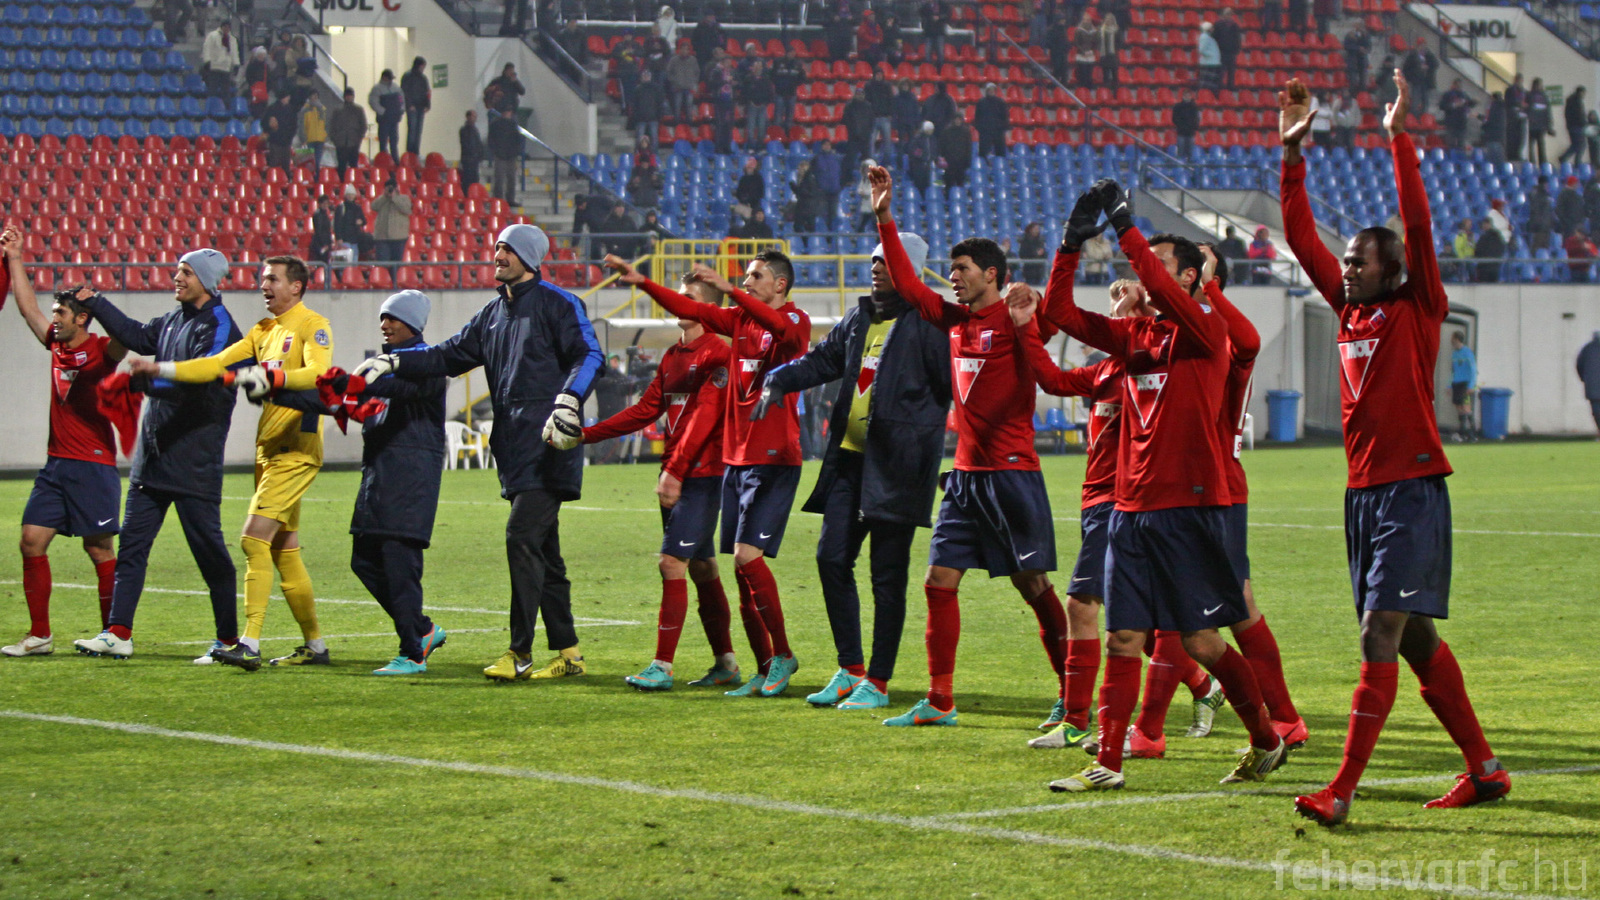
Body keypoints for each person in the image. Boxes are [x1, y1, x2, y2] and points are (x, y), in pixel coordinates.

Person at [1280, 71, 1508, 825]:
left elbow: (1418, 222)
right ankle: (1485, 769)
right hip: (1363, 496)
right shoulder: (1348, 312)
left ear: (1393, 269)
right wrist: (1292, 155)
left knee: (1379, 631)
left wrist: (1399, 138)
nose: (1346, 268)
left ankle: (1341, 791)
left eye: (1359, 261)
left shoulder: (1419, 305)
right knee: (1415, 642)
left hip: (1412, 490)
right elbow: (1299, 237)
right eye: (1346, 261)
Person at [1023, 182, 1289, 791]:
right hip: (1130, 508)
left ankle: (1266, 737)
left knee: (1201, 640)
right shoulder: (1135, 341)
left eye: (1161, 265)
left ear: (1190, 279)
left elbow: (1161, 287)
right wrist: (1070, 244)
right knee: (1123, 636)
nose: (1145, 273)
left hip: (1190, 509)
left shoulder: (1205, 329)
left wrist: (1125, 225)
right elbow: (1062, 314)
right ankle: (1108, 763)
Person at [866, 166, 1071, 730]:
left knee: (1034, 586)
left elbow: (1059, 318)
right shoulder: (953, 321)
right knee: (939, 582)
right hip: (963, 477)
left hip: (1011, 474)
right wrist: (885, 216)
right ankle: (940, 700)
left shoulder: (1018, 318)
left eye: (962, 269)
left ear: (991, 274)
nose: (952, 277)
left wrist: (1042, 293)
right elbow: (909, 287)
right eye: (951, 268)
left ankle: (1072, 693)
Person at [355, 225, 603, 683]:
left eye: (508, 249)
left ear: (529, 257)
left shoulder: (559, 303)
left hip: (550, 445)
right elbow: (445, 356)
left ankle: (519, 652)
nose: (498, 255)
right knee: (544, 553)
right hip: (514, 450)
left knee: (521, 538)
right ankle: (570, 654)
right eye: (497, 247)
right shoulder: (491, 314)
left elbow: (589, 355)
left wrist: (570, 399)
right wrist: (394, 360)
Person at [757, 234, 952, 710]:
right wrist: (778, 379)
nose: (876, 267)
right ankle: (851, 669)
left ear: (910, 268)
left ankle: (878, 683)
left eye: (887, 261)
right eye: (874, 260)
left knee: (887, 576)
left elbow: (953, 389)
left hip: (898, 468)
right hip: (849, 461)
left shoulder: (930, 322)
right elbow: (822, 360)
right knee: (831, 559)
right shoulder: (859, 316)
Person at [609, 250, 811, 698]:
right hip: (737, 460)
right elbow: (691, 308)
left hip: (774, 457)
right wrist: (642, 282)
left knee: (747, 558)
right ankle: (763, 666)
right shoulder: (740, 321)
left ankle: (782, 654)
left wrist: (729, 289)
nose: (747, 281)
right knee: (739, 570)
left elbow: (778, 328)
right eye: (745, 276)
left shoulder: (795, 320)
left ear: (780, 284)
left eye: (756, 276)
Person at [128, 257, 332, 671]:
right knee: (284, 550)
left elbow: (319, 374)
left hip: (296, 448)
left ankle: (248, 644)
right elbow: (215, 364)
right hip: (268, 448)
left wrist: (274, 379)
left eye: (272, 279)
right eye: (262, 278)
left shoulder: (313, 325)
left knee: (253, 540)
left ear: (296, 286)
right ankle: (316, 645)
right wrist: (161, 367)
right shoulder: (262, 331)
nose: (264, 285)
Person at [60, 249, 244, 663]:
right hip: (154, 457)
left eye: (185, 272)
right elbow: (140, 336)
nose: (176, 277)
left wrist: (147, 383)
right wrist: (97, 303)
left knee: (210, 553)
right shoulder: (174, 319)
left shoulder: (221, 327)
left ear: (206, 280)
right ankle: (118, 632)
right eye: (177, 270)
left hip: (193, 460)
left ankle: (229, 641)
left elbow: (204, 379)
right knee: (132, 548)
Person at [581, 273, 740, 689]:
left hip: (701, 474)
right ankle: (726, 663)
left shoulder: (719, 355)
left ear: (705, 307)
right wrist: (586, 435)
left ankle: (663, 666)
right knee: (702, 568)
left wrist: (676, 470)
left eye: (687, 297)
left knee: (671, 563)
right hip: (675, 472)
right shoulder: (672, 356)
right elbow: (644, 410)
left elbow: (705, 419)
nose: (676, 301)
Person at [1, 232, 126, 658]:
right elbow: (27, 308)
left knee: (99, 548)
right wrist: (15, 257)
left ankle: (113, 634)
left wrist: (101, 304)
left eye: (62, 312)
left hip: (94, 465)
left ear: (82, 319)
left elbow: (129, 338)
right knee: (31, 541)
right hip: (56, 465)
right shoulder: (55, 343)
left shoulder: (103, 350)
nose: (53, 317)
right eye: (55, 311)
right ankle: (39, 635)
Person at [318, 292, 450, 675]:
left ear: (412, 324)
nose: (384, 325)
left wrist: (357, 382)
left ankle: (412, 653)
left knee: (399, 565)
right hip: (379, 476)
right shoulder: (382, 368)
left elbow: (399, 389)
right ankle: (421, 629)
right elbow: (363, 404)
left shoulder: (427, 363)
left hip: (409, 479)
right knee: (363, 561)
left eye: (392, 318)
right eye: (382, 318)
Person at [328, 87, 367, 180]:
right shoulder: (337, 110)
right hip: (341, 143)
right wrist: (335, 139)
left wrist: (359, 138)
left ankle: (354, 183)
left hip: (354, 142)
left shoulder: (359, 110)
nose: (349, 97)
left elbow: (363, 125)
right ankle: (342, 183)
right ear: (344, 97)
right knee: (341, 166)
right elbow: (332, 125)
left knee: (354, 166)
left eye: (351, 96)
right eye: (347, 96)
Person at [372, 179, 412, 265]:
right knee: (382, 265)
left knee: (396, 265)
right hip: (382, 237)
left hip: (399, 237)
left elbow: (407, 209)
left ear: (396, 188)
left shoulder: (404, 198)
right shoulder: (382, 199)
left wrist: (394, 197)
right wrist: (385, 196)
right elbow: (374, 206)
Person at [1447, 331, 1478, 440]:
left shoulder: (1467, 352)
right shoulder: (1454, 354)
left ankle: (1473, 434)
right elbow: (1453, 371)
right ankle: (1463, 433)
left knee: (1465, 407)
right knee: (1459, 407)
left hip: (1465, 384)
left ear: (1457, 339)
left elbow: (1473, 370)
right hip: (1456, 384)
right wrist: (1449, 385)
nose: (1451, 340)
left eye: (1452, 338)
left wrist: (1471, 385)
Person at [489, 108, 522, 205]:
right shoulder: (496, 124)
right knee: (499, 178)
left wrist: (515, 152)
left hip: (510, 155)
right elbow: (491, 139)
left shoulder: (513, 124)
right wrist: (496, 151)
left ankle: (509, 199)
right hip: (501, 155)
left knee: (511, 178)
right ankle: (498, 200)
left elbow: (517, 140)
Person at [369, 69, 404, 160]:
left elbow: (401, 99)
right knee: (383, 141)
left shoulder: (396, 87)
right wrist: (383, 112)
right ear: (384, 77)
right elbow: (373, 102)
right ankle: (384, 160)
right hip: (383, 119)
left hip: (394, 119)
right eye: (389, 78)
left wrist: (401, 109)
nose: (391, 80)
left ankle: (395, 160)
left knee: (394, 141)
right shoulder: (377, 88)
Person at [401, 56, 431, 156]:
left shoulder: (423, 78)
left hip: (421, 107)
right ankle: (410, 153)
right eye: (422, 66)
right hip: (412, 107)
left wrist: (427, 105)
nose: (423, 68)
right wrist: (409, 105)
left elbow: (427, 92)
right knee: (412, 130)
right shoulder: (407, 76)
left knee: (418, 131)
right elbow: (404, 92)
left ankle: (416, 152)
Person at [335, 185, 373, 261]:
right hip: (345, 239)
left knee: (354, 261)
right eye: (349, 194)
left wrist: (361, 221)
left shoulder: (358, 207)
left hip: (355, 239)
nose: (350, 196)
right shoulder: (341, 207)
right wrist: (339, 238)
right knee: (346, 262)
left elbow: (364, 221)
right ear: (346, 195)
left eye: (352, 194)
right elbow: (337, 224)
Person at [200, 20, 237, 98]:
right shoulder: (212, 36)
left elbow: (234, 52)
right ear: (222, 27)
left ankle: (225, 104)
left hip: (226, 68)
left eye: (228, 27)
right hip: (214, 66)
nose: (226, 29)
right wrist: (207, 61)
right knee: (212, 89)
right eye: (225, 27)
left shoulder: (232, 39)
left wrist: (236, 63)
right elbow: (207, 48)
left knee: (226, 91)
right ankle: (212, 104)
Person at [770, 49, 804, 132]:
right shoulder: (778, 61)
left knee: (789, 117)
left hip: (791, 93)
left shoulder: (798, 63)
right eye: (791, 53)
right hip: (779, 93)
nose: (792, 55)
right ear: (787, 53)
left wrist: (795, 84)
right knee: (778, 116)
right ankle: (777, 133)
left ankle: (788, 134)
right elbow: (771, 74)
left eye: (793, 53)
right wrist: (777, 83)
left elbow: (802, 76)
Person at [665, 43, 699, 123]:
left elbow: (697, 72)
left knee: (689, 105)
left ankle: (689, 122)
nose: (684, 51)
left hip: (689, 87)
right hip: (677, 87)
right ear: (679, 50)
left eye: (686, 49)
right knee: (677, 105)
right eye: (682, 49)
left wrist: (693, 82)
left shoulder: (693, 60)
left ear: (689, 51)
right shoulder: (673, 60)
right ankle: (676, 122)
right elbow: (668, 72)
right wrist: (674, 81)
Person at [939, 118, 973, 198]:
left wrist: (967, 161)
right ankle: (948, 198)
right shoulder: (947, 131)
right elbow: (942, 146)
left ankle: (960, 198)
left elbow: (968, 148)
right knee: (949, 183)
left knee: (960, 183)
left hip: (961, 163)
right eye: (956, 119)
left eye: (959, 119)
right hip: (950, 162)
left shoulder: (966, 132)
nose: (957, 121)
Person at [865, 71, 895, 162]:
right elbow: (866, 101)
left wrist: (890, 114)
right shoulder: (869, 86)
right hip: (873, 118)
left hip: (885, 118)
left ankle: (887, 162)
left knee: (887, 141)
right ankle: (872, 161)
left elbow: (891, 101)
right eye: (877, 74)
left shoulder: (887, 86)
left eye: (880, 74)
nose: (879, 76)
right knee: (871, 141)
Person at [974, 83, 1008, 158]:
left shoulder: (1001, 102)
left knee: (1000, 153)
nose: (991, 91)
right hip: (985, 132)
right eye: (989, 90)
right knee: (983, 153)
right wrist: (981, 128)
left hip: (998, 132)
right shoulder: (981, 102)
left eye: (993, 90)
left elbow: (1005, 117)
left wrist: (1002, 128)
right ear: (986, 91)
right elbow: (977, 117)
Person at [1439, 81, 1473, 151]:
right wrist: (1453, 105)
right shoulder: (1448, 94)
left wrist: (1472, 103)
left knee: (1461, 143)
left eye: (1459, 85)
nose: (1457, 87)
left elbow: (1470, 104)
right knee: (1451, 143)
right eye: (1456, 85)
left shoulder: (1464, 95)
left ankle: (1460, 156)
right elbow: (1442, 106)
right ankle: (1451, 155)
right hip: (1451, 122)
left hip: (1462, 122)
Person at [1578, 331, 1600, 436]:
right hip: (1593, 387)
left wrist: (1585, 380)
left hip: (1593, 388)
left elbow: (1579, 366)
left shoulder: (1587, 349)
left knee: (1597, 412)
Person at [1213, 8, 1242, 89]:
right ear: (1223, 15)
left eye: (1230, 14)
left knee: (1231, 71)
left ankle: (1230, 86)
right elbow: (1214, 37)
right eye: (1227, 14)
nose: (1229, 16)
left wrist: (1237, 49)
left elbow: (1237, 38)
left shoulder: (1235, 26)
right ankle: (1219, 86)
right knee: (1221, 71)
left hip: (1231, 52)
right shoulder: (1218, 25)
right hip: (1221, 52)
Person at [1527, 77, 1553, 165]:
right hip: (1539, 126)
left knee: (1531, 147)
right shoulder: (1544, 97)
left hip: (1532, 125)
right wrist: (1549, 126)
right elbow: (1548, 113)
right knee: (1540, 147)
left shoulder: (1528, 95)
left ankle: (1532, 164)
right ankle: (1543, 165)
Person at [1472, 216, 1505, 283]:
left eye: (1485, 224)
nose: (1484, 226)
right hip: (1494, 266)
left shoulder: (1485, 237)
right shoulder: (1498, 236)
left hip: (1485, 267)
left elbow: (1478, 250)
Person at [1527, 176, 1554, 253]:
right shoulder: (1539, 195)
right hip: (1540, 227)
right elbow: (1537, 212)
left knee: (1543, 249)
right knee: (1537, 247)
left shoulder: (1543, 195)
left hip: (1544, 227)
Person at [733, 156, 765, 223]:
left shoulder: (758, 179)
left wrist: (750, 201)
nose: (749, 169)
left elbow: (760, 193)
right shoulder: (743, 179)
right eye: (748, 167)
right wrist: (744, 200)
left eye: (750, 167)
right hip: (743, 204)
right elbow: (738, 193)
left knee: (751, 214)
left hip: (754, 205)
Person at [1562, 85, 1587, 163]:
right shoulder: (1577, 101)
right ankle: (1577, 162)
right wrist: (1585, 123)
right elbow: (1580, 115)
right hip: (1578, 126)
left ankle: (1563, 157)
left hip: (1571, 126)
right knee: (1582, 145)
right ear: (1581, 92)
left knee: (1575, 145)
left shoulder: (1570, 100)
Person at [1343, 22, 1370, 93]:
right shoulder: (1349, 35)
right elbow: (1346, 46)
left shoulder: (1365, 35)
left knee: (1363, 80)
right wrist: (1357, 48)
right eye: (1358, 25)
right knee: (1353, 80)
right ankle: (1353, 94)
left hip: (1362, 60)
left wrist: (1365, 50)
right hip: (1352, 60)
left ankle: (1362, 94)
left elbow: (1369, 46)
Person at [459, 109, 484, 190]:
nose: (475, 118)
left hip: (474, 160)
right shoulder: (464, 130)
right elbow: (467, 145)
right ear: (468, 117)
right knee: (467, 180)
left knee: (474, 180)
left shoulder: (475, 130)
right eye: (473, 116)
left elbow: (478, 144)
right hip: (468, 159)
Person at [1073, 14, 1099, 88]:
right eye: (1085, 20)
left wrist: (1092, 51)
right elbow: (1076, 43)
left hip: (1090, 54)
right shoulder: (1078, 30)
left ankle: (1089, 86)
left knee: (1089, 72)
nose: (1087, 21)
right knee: (1082, 72)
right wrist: (1083, 51)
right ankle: (1082, 87)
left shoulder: (1094, 31)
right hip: (1081, 54)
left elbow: (1096, 43)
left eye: (1088, 20)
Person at [309, 194, 336, 264]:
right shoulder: (318, 214)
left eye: (327, 203)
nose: (325, 205)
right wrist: (324, 244)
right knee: (322, 263)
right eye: (323, 203)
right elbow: (319, 231)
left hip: (325, 243)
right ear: (319, 204)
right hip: (320, 244)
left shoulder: (324, 214)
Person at [1173, 88, 1200, 157]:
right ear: (1183, 96)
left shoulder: (1194, 107)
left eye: (1188, 96)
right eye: (1186, 95)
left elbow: (1196, 118)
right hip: (1181, 132)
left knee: (1190, 153)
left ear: (1191, 96)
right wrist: (1181, 126)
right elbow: (1174, 118)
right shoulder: (1178, 106)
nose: (1187, 97)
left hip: (1191, 133)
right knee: (1180, 152)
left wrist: (1194, 127)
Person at [1197, 22, 1221, 91]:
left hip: (1212, 63)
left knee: (1210, 84)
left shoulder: (1208, 37)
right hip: (1208, 63)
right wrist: (1211, 55)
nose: (1213, 29)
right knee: (1206, 84)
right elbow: (1202, 50)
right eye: (1211, 28)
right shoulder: (1205, 37)